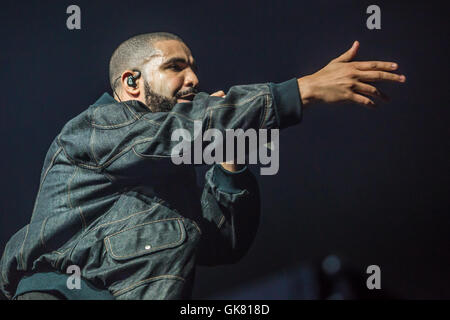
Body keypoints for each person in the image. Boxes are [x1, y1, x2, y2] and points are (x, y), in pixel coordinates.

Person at [0, 32, 405, 300]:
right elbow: (175, 132)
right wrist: (301, 90)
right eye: (175, 67)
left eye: (193, 66)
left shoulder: (168, 169)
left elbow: (220, 244)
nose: (193, 77)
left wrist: (228, 163)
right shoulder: (94, 129)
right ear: (132, 82)